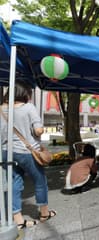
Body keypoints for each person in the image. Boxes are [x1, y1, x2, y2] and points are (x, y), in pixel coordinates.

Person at [0, 81, 56, 229]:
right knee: (40, 181)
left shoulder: (1, 109)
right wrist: (39, 129)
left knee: (14, 183)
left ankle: (18, 220)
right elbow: (38, 131)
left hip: (7, 152)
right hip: (26, 152)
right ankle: (44, 213)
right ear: (24, 93)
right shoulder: (28, 107)